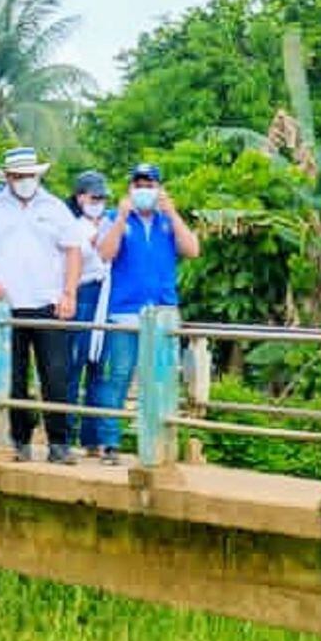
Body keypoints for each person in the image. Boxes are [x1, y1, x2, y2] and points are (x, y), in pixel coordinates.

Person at [0, 146, 84, 464]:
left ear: (37, 175)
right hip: (5, 308)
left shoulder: (55, 208)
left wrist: (69, 293)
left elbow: (73, 251)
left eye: (29, 175)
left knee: (56, 375)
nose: (24, 181)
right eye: (18, 176)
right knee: (12, 379)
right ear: (8, 177)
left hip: (48, 304)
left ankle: (59, 443)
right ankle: (19, 440)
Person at [82, 162, 203, 461]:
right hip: (124, 311)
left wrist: (173, 213)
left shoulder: (167, 221)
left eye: (149, 185)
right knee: (118, 376)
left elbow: (192, 249)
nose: (144, 190)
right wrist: (122, 217)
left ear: (159, 188)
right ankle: (110, 444)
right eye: (138, 185)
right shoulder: (114, 218)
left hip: (163, 311)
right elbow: (105, 253)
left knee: (160, 378)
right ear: (130, 189)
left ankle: (158, 446)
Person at [63, 170, 116, 456]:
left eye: (102, 197)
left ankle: (93, 438)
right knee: (74, 365)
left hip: (108, 296)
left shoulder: (111, 223)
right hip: (82, 293)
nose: (98, 201)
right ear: (80, 197)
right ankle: (65, 435)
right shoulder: (71, 225)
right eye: (93, 196)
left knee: (100, 369)